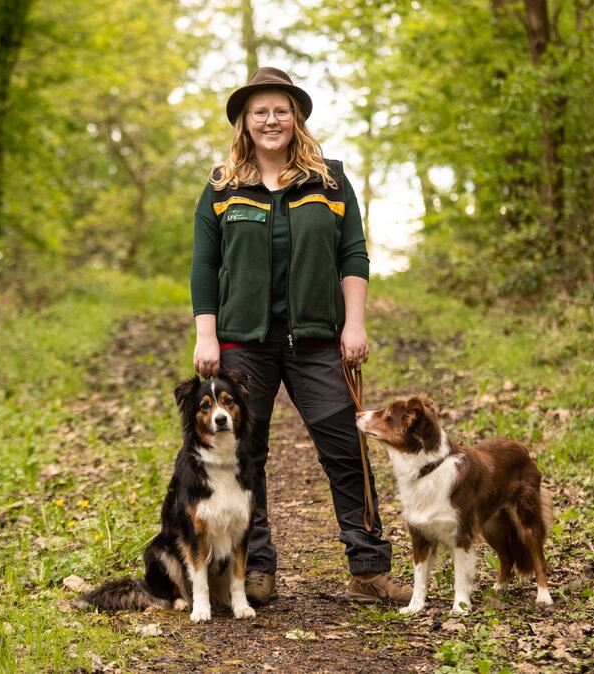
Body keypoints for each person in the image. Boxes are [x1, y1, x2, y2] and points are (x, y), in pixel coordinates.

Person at [189, 67, 412, 607]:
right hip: (244, 342)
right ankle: (255, 568)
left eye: (280, 110)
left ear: (297, 117)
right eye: (259, 111)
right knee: (246, 453)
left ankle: (367, 568)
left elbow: (353, 253)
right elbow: (204, 265)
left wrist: (354, 323)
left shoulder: (330, 181)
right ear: (245, 120)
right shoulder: (222, 186)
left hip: (318, 338)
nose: (271, 120)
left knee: (345, 449)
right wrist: (207, 337)